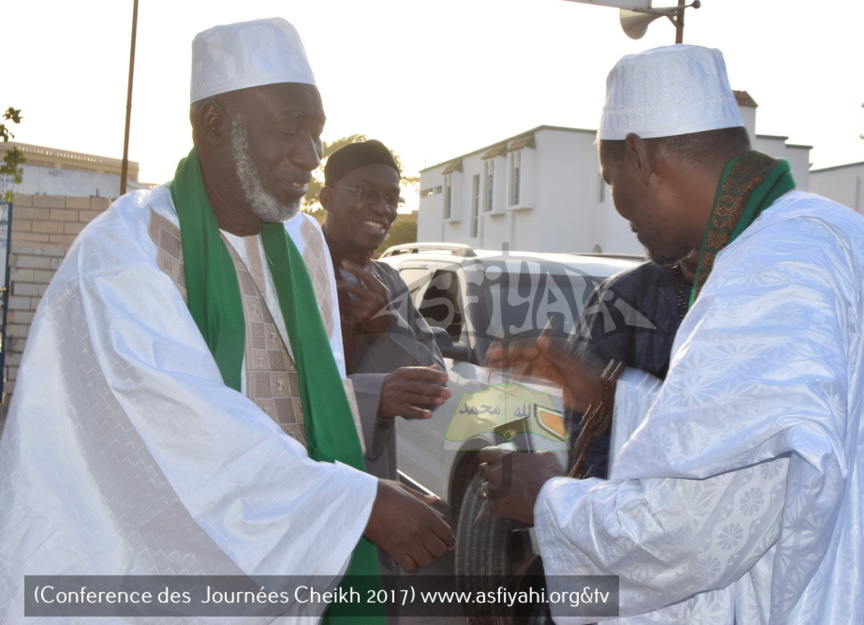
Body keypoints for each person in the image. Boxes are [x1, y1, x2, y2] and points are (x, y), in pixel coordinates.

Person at [479, 44, 864, 623]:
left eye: (610, 179)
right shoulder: (831, 235)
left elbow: (691, 529)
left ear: (642, 158)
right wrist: (611, 397)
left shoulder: (773, 269)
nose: (619, 209)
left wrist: (548, 499)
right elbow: (768, 450)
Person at [0, 17, 453, 623]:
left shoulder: (303, 245)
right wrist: (355, 504)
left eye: (316, 133)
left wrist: (344, 485)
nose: (311, 156)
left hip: (287, 569)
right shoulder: (124, 253)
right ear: (214, 124)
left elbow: (304, 406)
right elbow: (174, 431)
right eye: (289, 128)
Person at [320, 140, 451, 604]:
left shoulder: (390, 282)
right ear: (327, 196)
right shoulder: (290, 267)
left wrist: (384, 324)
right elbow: (274, 387)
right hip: (311, 487)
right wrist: (374, 394)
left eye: (393, 199)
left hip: (377, 483)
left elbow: (430, 382)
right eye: (366, 192)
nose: (383, 209)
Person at [566, 251, 695, 479]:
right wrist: (599, 494)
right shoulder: (627, 293)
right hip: (632, 492)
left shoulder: (758, 287)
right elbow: (590, 422)